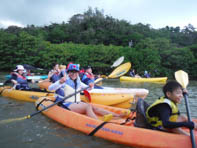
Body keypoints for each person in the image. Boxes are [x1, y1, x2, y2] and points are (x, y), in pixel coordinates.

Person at [48, 64, 125, 120]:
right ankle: (97, 122)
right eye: (71, 72)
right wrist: (59, 83)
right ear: (68, 72)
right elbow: (50, 88)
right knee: (87, 106)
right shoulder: (64, 80)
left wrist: (91, 86)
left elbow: (88, 89)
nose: (74, 74)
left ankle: (117, 116)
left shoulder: (78, 81)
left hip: (76, 102)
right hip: (66, 104)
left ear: (78, 73)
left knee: (93, 107)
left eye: (76, 72)